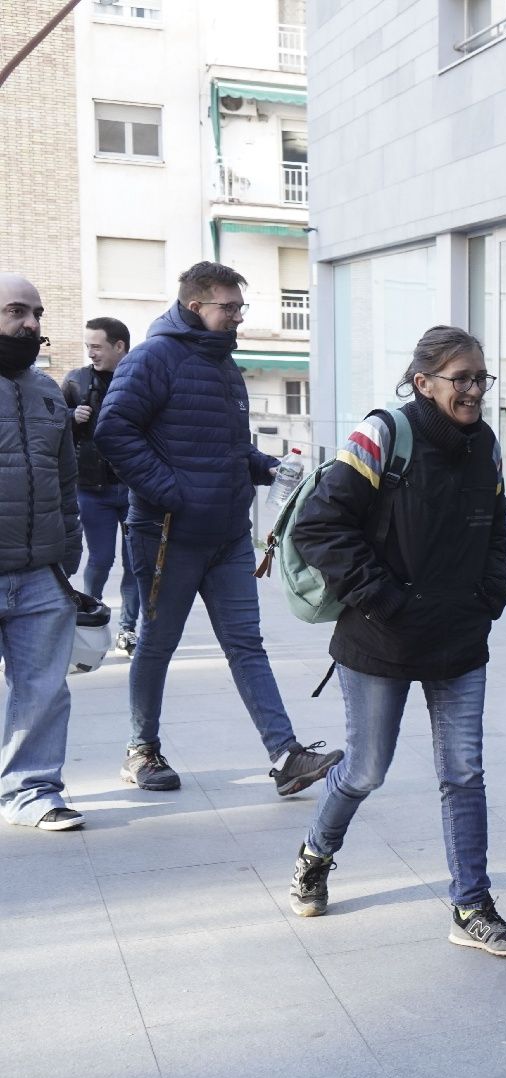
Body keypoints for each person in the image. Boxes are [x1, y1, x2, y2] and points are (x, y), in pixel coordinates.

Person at [286, 325, 506, 956]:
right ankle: (317, 851)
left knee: (464, 771)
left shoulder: (486, 447)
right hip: (380, 638)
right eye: (461, 379)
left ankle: (471, 906)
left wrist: (492, 593)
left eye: (481, 378)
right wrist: (385, 599)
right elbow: (320, 526)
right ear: (422, 382)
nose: (474, 390)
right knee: (366, 770)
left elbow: (494, 525)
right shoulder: (382, 434)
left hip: (459, 637)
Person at [94, 261, 341, 796]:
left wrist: (268, 467)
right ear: (194, 307)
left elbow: (227, 447)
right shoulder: (154, 358)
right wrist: (171, 492)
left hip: (228, 535)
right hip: (166, 535)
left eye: (238, 307)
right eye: (227, 307)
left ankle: (286, 756)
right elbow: (113, 429)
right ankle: (142, 752)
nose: (237, 317)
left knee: (246, 644)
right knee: (157, 644)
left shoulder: (225, 367)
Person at [0, 274, 85, 831]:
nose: (31, 324)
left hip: (40, 573)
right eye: (15, 312)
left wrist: (67, 555)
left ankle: (32, 792)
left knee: (44, 690)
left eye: (36, 314)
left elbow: (67, 480)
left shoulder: (49, 390)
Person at [62, 317, 140, 655]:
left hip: (135, 488)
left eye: (97, 346)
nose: (91, 353)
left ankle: (128, 629)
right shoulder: (75, 380)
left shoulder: (140, 377)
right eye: (88, 347)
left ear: (119, 346)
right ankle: (90, 620)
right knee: (101, 559)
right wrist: (70, 417)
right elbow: (52, 424)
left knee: (136, 562)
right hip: (92, 489)